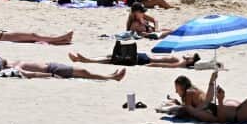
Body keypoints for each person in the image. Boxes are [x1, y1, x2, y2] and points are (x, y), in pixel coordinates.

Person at [0, 56, 125, 81]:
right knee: (84, 73)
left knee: (83, 72)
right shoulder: (16, 68)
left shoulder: (12, 64)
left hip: (52, 66)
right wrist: (50, 76)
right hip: (53, 70)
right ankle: (111, 77)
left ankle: (110, 75)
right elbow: (30, 74)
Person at [69, 51, 199, 69]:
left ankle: (87, 60)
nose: (188, 55)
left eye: (190, 56)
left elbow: (170, 66)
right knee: (112, 56)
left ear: (190, 61)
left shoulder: (181, 62)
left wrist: (153, 64)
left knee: (113, 59)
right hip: (144, 57)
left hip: (144, 60)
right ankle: (88, 59)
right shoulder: (180, 59)